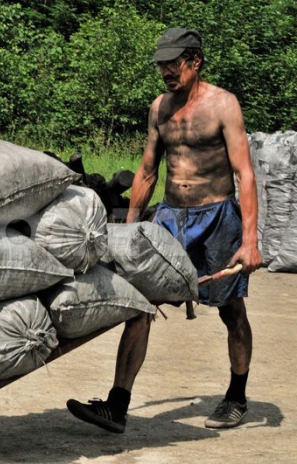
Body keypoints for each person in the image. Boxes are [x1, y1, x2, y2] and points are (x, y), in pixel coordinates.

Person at [66, 27, 262, 433]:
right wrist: (127, 231)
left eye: (174, 63)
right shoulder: (159, 108)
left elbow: (244, 172)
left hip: (217, 219)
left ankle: (236, 396)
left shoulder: (223, 104)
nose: (166, 72)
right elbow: (147, 170)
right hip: (171, 218)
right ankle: (116, 407)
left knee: (231, 311)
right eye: (162, 65)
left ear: (195, 61)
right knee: (140, 305)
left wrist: (250, 241)